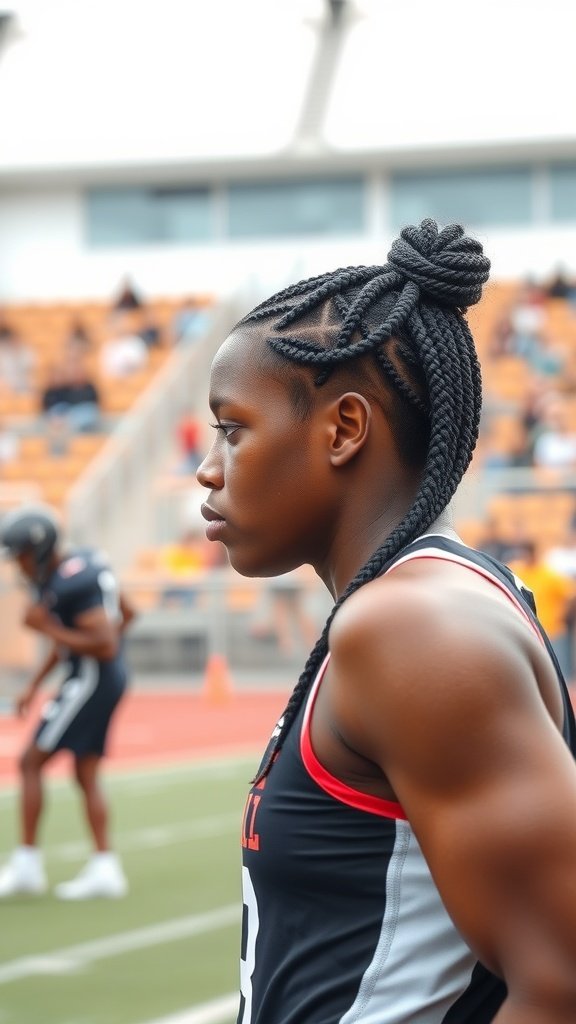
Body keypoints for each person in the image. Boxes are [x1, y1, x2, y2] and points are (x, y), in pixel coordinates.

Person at [196, 219, 576, 1023]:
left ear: (343, 429)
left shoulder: (411, 629)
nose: (208, 466)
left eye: (233, 429)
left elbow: (561, 984)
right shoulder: (416, 604)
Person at [0, 504, 136, 900]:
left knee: (31, 762)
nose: (18, 566)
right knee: (85, 771)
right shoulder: (79, 566)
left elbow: (105, 644)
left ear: (39, 550)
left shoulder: (67, 583)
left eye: (21, 556)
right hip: (98, 677)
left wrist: (48, 627)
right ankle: (105, 867)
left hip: (92, 678)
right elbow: (127, 613)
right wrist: (35, 684)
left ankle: (27, 865)